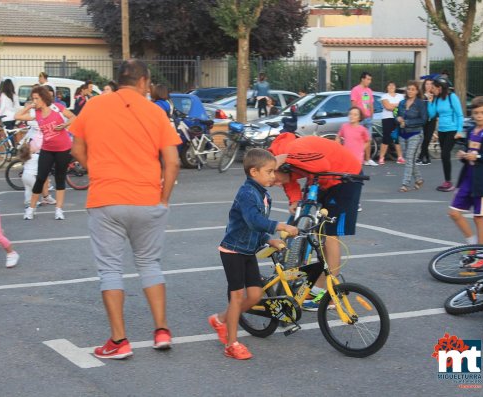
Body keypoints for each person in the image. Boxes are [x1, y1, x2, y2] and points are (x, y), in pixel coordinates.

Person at [70, 59, 182, 359]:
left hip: (106, 198)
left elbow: (76, 149)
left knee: (110, 270)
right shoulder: (155, 112)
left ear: (119, 80)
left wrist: (98, 172)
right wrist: (164, 197)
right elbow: (172, 161)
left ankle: (119, 341)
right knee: (150, 264)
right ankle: (161, 331)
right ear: (144, 82)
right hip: (147, 198)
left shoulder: (93, 106)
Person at [208, 149, 298, 360]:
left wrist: (269, 239)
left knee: (256, 296)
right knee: (237, 298)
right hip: (233, 251)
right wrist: (280, 226)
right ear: (254, 171)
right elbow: (253, 221)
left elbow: (256, 229)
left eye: (274, 171)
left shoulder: (263, 194)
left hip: (248, 250)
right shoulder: (247, 193)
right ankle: (231, 344)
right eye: (269, 172)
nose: (274, 176)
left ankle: (220, 319)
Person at [269, 134, 363, 311]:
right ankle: (318, 287)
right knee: (318, 232)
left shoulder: (291, 152)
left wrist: (285, 158)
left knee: (329, 235)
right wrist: (295, 200)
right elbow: (288, 180)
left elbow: (322, 165)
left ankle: (331, 295)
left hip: (345, 176)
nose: (273, 183)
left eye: (272, 178)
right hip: (322, 179)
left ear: (280, 165)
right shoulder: (282, 159)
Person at [448, 96, 483, 247]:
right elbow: (470, 152)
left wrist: (478, 156)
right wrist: (463, 155)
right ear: (472, 113)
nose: (479, 116)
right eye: (477, 113)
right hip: (467, 179)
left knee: (478, 217)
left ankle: (481, 252)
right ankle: (472, 243)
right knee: (454, 212)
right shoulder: (471, 130)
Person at [15, 85, 75, 220]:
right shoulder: (35, 113)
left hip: (63, 148)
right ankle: (31, 209)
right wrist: (28, 106)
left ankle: (59, 210)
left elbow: (73, 117)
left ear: (43, 98)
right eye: (33, 98)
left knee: (60, 178)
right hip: (47, 149)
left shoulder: (57, 108)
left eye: (36, 98)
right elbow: (17, 116)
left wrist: (65, 125)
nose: (34, 101)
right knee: (41, 178)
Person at [427, 76, 463, 192]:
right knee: (444, 156)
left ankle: (449, 182)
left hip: (452, 131)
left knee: (445, 154)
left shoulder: (452, 97)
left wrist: (459, 130)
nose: (432, 90)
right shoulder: (437, 99)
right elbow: (432, 114)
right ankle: (447, 181)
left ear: (441, 87)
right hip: (441, 131)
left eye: (434, 87)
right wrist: (430, 101)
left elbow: (460, 115)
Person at [396, 81, 427, 192]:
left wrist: (407, 122)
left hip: (416, 133)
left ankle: (405, 184)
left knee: (409, 159)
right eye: (409, 89)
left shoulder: (420, 103)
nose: (410, 91)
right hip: (403, 134)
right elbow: (397, 114)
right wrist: (398, 118)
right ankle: (419, 179)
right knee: (410, 160)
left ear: (417, 91)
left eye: (413, 89)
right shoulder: (402, 103)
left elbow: (423, 120)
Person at [336, 107, 369, 211]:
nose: (352, 116)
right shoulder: (344, 127)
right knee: (344, 179)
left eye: (355, 114)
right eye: (350, 114)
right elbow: (338, 136)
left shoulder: (362, 129)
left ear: (359, 117)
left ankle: (356, 202)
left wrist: (361, 150)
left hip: (357, 159)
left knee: (356, 181)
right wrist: (338, 146)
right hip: (346, 157)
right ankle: (344, 200)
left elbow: (368, 141)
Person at [351, 72, 377, 166]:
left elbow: (370, 104)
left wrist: (371, 115)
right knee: (357, 140)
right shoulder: (355, 90)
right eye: (368, 79)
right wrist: (355, 117)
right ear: (362, 79)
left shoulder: (369, 91)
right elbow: (353, 104)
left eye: (370, 79)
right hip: (359, 119)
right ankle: (356, 158)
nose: (369, 81)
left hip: (368, 118)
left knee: (368, 139)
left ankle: (368, 159)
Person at [378, 81, 405, 165]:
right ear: (387, 87)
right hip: (387, 118)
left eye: (393, 85)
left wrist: (392, 104)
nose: (391, 86)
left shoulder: (400, 96)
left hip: (398, 118)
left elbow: (403, 106)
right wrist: (397, 105)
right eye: (389, 85)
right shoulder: (384, 96)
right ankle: (381, 157)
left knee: (397, 138)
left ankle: (400, 157)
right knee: (386, 137)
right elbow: (388, 107)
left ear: (395, 87)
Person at [417, 78, 437, 166]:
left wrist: (431, 101)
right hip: (424, 120)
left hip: (432, 120)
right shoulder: (421, 96)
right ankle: (427, 158)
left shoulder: (435, 96)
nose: (428, 86)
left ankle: (421, 157)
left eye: (430, 84)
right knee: (425, 139)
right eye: (427, 84)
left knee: (427, 139)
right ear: (424, 85)